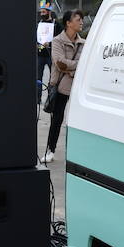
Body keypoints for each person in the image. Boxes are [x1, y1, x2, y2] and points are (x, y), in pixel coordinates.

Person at [42, 10, 85, 164]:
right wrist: (75, 68)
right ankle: (50, 150)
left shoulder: (83, 43)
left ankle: (77, 153)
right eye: (78, 19)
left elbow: (84, 64)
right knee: (57, 120)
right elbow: (59, 63)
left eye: (81, 20)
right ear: (68, 23)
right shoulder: (57, 41)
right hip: (60, 86)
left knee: (79, 121)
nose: (81, 22)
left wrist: (70, 68)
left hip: (77, 88)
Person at [36, 8, 57, 103]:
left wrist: (51, 44)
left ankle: (50, 99)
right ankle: (37, 99)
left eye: (43, 12)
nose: (41, 13)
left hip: (51, 55)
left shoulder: (56, 24)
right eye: (41, 12)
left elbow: (59, 38)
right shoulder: (38, 24)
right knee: (38, 77)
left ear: (49, 12)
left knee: (52, 78)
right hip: (40, 55)